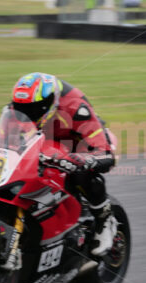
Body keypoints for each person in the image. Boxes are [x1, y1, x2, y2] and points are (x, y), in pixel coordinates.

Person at [11, 72, 117, 257]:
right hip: (46, 139)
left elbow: (106, 154)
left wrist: (83, 160)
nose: (27, 114)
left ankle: (104, 219)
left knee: (82, 171)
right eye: (22, 108)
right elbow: (3, 139)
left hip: (77, 141)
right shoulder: (17, 108)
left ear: (50, 101)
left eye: (34, 108)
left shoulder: (76, 108)